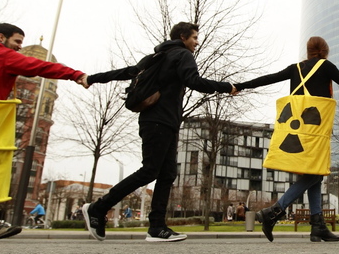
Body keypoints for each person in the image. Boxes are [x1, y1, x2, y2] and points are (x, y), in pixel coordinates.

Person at [81, 22, 234, 242]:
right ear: (183, 37)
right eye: (194, 37)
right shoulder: (182, 55)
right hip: (160, 121)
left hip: (159, 121)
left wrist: (92, 78)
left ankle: (157, 227)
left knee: (167, 173)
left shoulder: (155, 57)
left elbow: (126, 72)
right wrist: (226, 87)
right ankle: (98, 207)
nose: (197, 42)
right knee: (150, 171)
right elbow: (195, 82)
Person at [233, 36, 339, 242]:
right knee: (315, 173)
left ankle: (317, 226)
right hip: (314, 133)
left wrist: (239, 85)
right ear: (325, 51)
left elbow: (267, 78)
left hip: (296, 135)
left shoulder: (295, 68)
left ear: (308, 51)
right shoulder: (326, 66)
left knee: (315, 174)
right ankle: (274, 211)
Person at [0, 23, 87, 241]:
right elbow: (41, 67)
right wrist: (76, 74)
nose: (19, 47)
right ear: (1, 37)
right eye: (17, 41)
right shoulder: (2, 56)